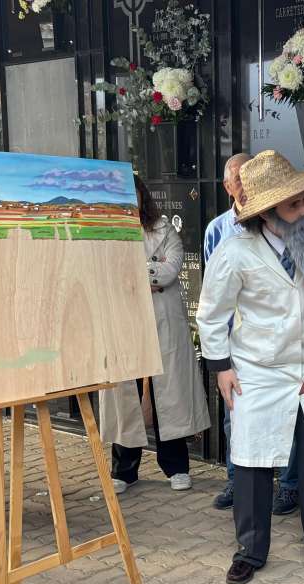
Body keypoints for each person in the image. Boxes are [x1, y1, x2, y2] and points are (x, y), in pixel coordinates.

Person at [196, 150, 304, 584]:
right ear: (268, 214)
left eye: (303, 199)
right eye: (293, 205)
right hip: (255, 368)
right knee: (253, 461)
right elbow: (210, 314)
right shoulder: (236, 251)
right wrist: (221, 367)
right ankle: (250, 550)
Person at [101, 175, 211, 495]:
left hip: (162, 321)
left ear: (141, 196)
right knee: (127, 394)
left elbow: (169, 270)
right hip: (126, 323)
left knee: (169, 395)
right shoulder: (107, 234)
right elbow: (110, 276)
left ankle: (176, 466)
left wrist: (133, 271)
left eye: (132, 194)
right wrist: (149, 267)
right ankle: (124, 469)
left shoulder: (165, 229)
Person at [204, 152, 301, 516]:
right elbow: (215, 296)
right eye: (237, 180)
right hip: (239, 345)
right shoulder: (218, 230)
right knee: (237, 419)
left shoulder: (289, 225)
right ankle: (236, 479)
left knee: (291, 416)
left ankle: (288, 486)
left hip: (284, 345)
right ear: (228, 187)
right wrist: (222, 356)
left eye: (249, 179)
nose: (243, 186)